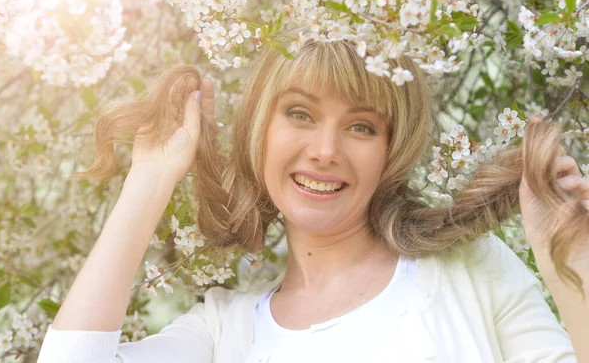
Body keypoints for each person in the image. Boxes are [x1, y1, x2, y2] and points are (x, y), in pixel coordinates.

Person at [37, 26, 589, 362]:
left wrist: (573, 262)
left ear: (391, 151)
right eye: (299, 114)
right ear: (260, 129)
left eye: (361, 127)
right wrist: (152, 177)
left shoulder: (467, 271)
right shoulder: (223, 331)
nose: (325, 150)